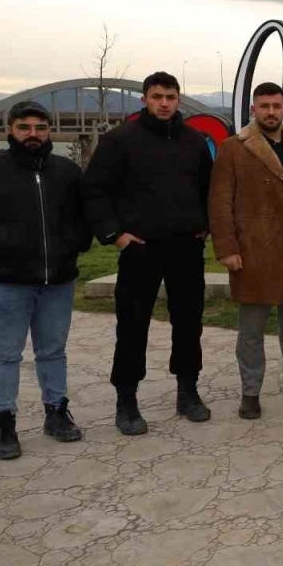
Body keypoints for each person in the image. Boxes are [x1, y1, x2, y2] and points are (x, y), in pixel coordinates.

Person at [0, 101, 91, 459]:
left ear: (49, 131)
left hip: (57, 279)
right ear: (10, 130)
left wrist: (75, 243)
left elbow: (85, 213)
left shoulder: (67, 171)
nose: (33, 134)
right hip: (5, 280)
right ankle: (4, 423)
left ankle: (56, 412)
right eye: (24, 127)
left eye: (40, 128)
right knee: (5, 355)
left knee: (53, 351)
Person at [82, 71, 213, 435]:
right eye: (157, 96)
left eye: (171, 96)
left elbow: (209, 186)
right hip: (140, 248)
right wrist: (115, 234)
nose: (165, 103)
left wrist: (206, 223)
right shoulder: (119, 141)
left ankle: (188, 392)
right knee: (132, 324)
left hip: (186, 246)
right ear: (144, 99)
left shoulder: (194, 141)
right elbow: (94, 191)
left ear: (179, 99)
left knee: (189, 322)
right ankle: (126, 401)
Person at [209, 82, 283, 420]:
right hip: (255, 252)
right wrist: (227, 249)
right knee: (252, 330)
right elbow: (220, 204)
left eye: (276, 106)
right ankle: (250, 392)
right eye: (264, 106)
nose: (271, 112)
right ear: (253, 109)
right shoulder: (233, 148)